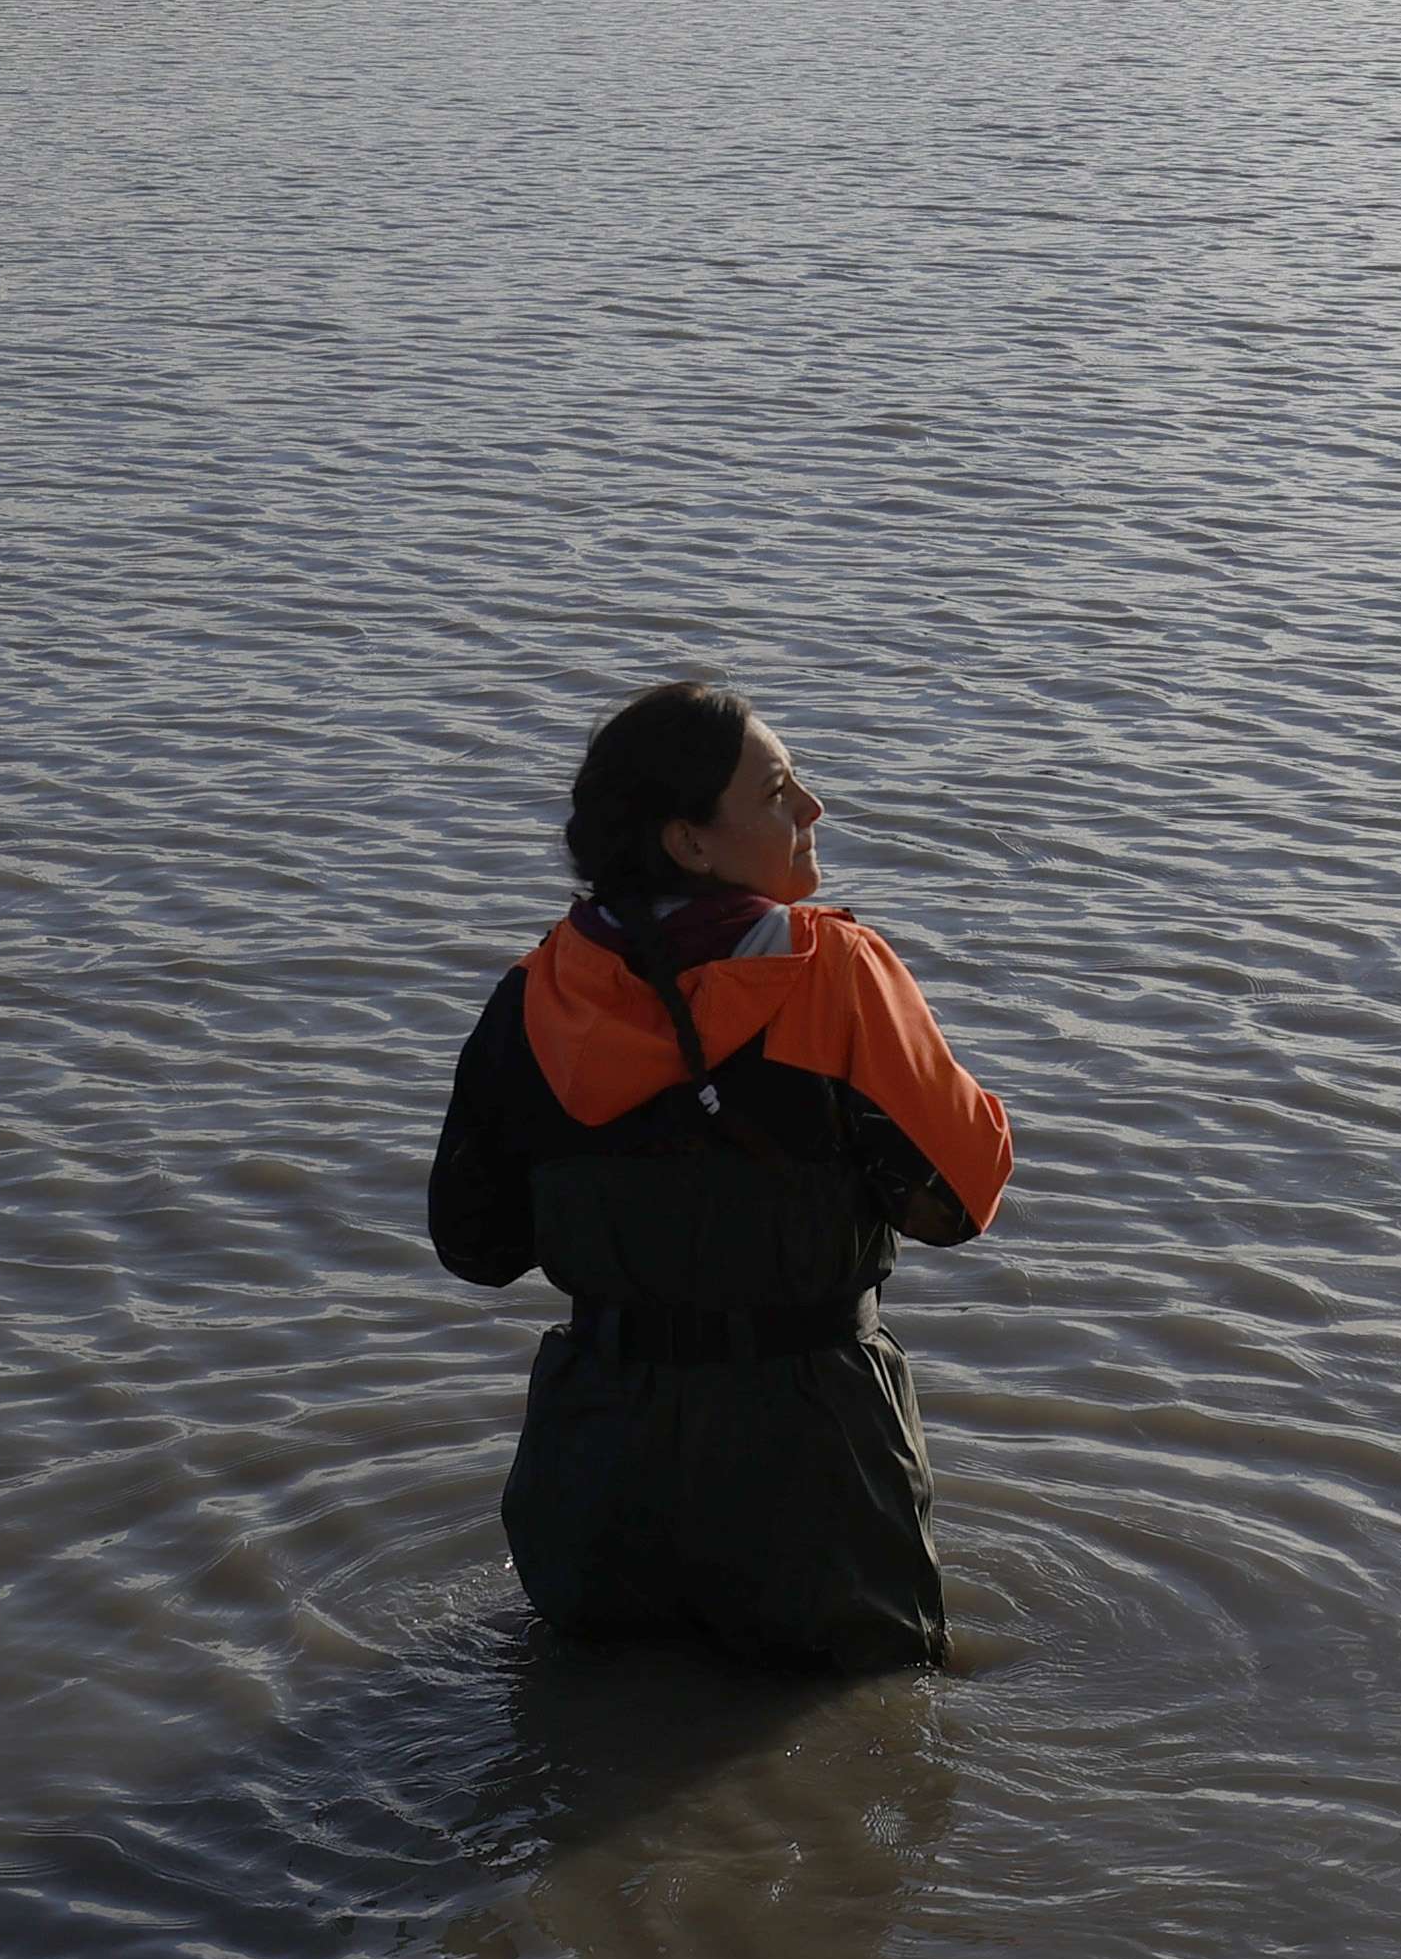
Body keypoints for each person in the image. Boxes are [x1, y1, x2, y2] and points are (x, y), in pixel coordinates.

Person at [430, 683, 1013, 1672]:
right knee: (854, 1739)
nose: (812, 808)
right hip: (813, 1456)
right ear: (689, 841)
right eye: (779, 789)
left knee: (588, 1722)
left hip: (598, 1452)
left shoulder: (534, 992)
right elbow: (962, 1199)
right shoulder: (835, 972)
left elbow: (475, 1245)